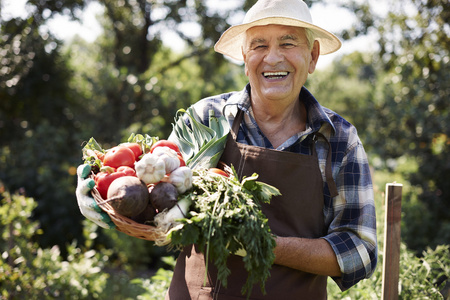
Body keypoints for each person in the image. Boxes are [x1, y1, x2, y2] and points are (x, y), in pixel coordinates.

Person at [76, 0, 378, 298]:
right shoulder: (205, 118)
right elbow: (160, 207)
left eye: (288, 44)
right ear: (245, 58)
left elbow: (359, 250)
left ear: (312, 57)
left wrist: (261, 243)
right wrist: (110, 196)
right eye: (259, 46)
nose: (272, 58)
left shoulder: (338, 139)